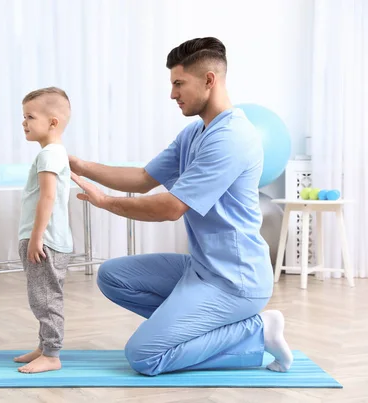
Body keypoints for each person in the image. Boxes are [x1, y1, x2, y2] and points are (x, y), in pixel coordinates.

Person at [69, 37, 293, 376]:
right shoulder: (194, 133)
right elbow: (144, 178)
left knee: (144, 356)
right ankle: (197, 328)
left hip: (236, 281)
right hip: (201, 269)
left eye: (178, 83)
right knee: (113, 277)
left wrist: (104, 202)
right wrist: (80, 166)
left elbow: (170, 208)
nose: (173, 94)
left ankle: (257, 330)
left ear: (209, 80)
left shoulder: (232, 137)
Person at [14, 87, 74, 373]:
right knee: (40, 295)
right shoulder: (52, 153)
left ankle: (52, 354)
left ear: (53, 122)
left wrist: (36, 237)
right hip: (43, 239)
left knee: (45, 298)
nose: (24, 122)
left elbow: (47, 197)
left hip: (45, 240)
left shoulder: (50, 154)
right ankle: (44, 346)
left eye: (29, 116)